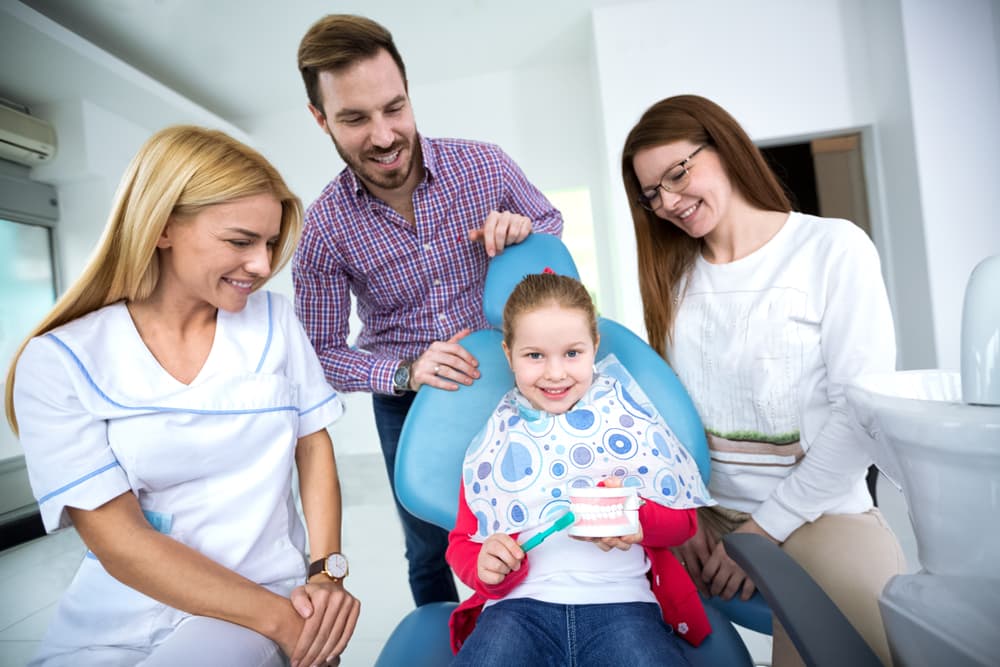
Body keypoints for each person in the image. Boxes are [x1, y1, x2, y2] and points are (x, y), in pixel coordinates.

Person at [3, 126, 360, 667]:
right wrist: (294, 626)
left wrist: (323, 574)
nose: (264, 265)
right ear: (164, 227)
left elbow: (313, 447)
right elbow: (118, 538)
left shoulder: (274, 322)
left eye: (268, 244)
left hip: (257, 598)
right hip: (115, 614)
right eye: (241, 242)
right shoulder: (61, 361)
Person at [620, 94, 907, 666]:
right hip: (703, 516)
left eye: (678, 173)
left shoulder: (832, 248)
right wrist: (687, 510)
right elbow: (666, 414)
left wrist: (763, 528)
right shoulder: (673, 280)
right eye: (653, 195)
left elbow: (859, 415)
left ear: (724, 148)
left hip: (818, 513)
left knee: (852, 653)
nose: (670, 202)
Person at [293, 14, 563, 607]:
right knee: (429, 546)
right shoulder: (323, 230)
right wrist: (405, 371)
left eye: (395, 108)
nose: (385, 134)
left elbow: (549, 222)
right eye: (355, 118)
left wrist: (521, 228)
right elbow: (319, 353)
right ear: (321, 119)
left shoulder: (484, 166)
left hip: (508, 378)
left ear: (409, 94)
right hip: (409, 403)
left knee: (531, 519)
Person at [446, 271, 714, 665]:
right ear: (509, 354)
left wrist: (634, 519)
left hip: (623, 606)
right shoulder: (495, 444)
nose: (555, 373)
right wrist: (483, 564)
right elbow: (461, 544)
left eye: (572, 353)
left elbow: (683, 524)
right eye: (534, 355)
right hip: (516, 610)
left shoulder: (630, 424)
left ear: (595, 347)